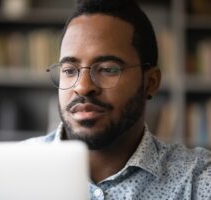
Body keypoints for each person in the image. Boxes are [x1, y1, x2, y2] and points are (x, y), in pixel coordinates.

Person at [25, 0, 211, 199]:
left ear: (151, 82)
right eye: (69, 71)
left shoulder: (198, 180)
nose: (82, 86)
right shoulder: (17, 168)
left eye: (108, 69)